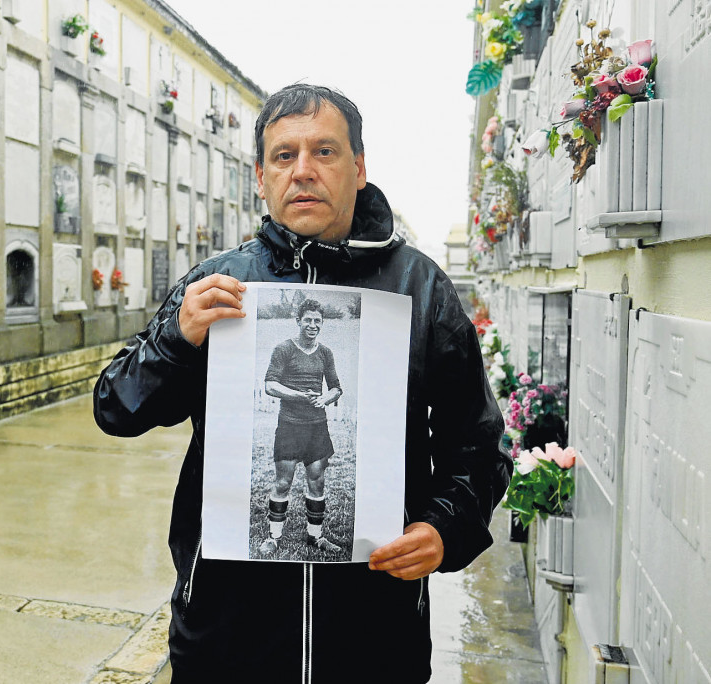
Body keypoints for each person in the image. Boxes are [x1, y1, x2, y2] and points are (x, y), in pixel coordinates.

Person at [94, 83, 511, 682]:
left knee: (316, 480)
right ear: (261, 177)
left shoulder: (419, 288)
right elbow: (115, 406)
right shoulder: (218, 285)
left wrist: (447, 527)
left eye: (325, 152)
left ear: (359, 169)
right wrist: (176, 341)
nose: (304, 171)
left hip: (374, 642)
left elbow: (478, 444)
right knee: (282, 483)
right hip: (225, 639)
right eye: (284, 156)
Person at [260, 298, 343, 556]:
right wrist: (298, 395)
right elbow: (270, 385)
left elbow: (336, 387)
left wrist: (325, 398)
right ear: (298, 321)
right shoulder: (283, 349)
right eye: (308, 320)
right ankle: (274, 537)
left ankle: (315, 536)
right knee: (283, 482)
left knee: (317, 482)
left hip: (317, 427)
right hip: (290, 425)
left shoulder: (325, 352)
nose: (313, 325)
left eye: (317, 321)